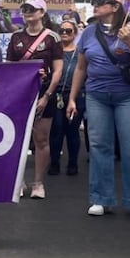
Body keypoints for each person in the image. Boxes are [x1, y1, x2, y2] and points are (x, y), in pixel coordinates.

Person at [68, 0, 130, 217]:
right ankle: (101, 198)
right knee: (98, 146)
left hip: (128, 95)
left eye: (101, 1)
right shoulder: (88, 33)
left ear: (115, 7)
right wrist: (72, 98)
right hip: (96, 95)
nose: (95, 4)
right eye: (94, 1)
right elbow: (81, 67)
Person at [5, 0, 62, 200]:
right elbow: (9, 67)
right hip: (20, 94)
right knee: (18, 139)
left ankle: (38, 182)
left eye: (32, 9)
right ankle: (18, 180)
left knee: (41, 138)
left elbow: (57, 70)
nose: (28, 12)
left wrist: (47, 95)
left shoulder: (52, 38)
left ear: (42, 13)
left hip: (44, 93)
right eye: (25, 8)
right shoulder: (15, 38)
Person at [49, 18, 83, 176]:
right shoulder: (54, 52)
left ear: (75, 33)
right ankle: (54, 162)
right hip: (56, 95)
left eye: (68, 30)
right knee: (56, 130)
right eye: (61, 30)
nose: (64, 33)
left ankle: (73, 163)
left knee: (72, 130)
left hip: (75, 94)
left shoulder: (80, 53)